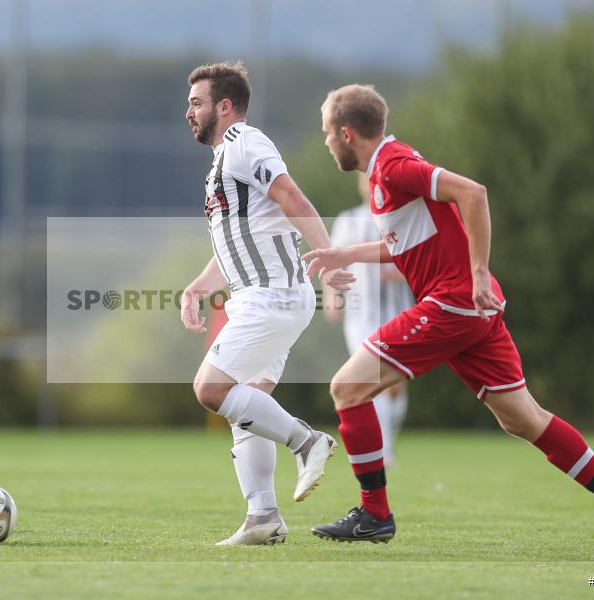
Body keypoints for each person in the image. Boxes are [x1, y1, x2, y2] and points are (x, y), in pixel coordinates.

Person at [303, 84, 594, 556]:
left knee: (347, 388)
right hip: (471, 309)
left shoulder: (394, 166)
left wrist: (479, 272)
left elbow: (474, 193)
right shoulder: (387, 171)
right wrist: (349, 253)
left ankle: (375, 514)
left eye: (326, 134)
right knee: (523, 419)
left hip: (454, 303)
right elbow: (410, 243)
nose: (325, 142)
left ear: (347, 133)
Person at [180, 61, 353, 545]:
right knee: (247, 402)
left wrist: (329, 254)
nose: (188, 112)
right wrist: (198, 287)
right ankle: (263, 518)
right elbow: (237, 242)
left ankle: (307, 440)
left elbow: (293, 196)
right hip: (260, 297)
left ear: (225, 106)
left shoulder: (244, 144)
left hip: (271, 296)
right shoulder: (221, 163)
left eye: (197, 103)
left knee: (211, 390)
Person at [322, 172, 414, 467]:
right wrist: (333, 299)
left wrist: (399, 272)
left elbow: (419, 260)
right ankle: (384, 450)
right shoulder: (349, 220)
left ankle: (388, 439)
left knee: (395, 386)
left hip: (398, 313)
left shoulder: (401, 220)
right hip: (360, 316)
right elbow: (332, 263)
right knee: (369, 379)